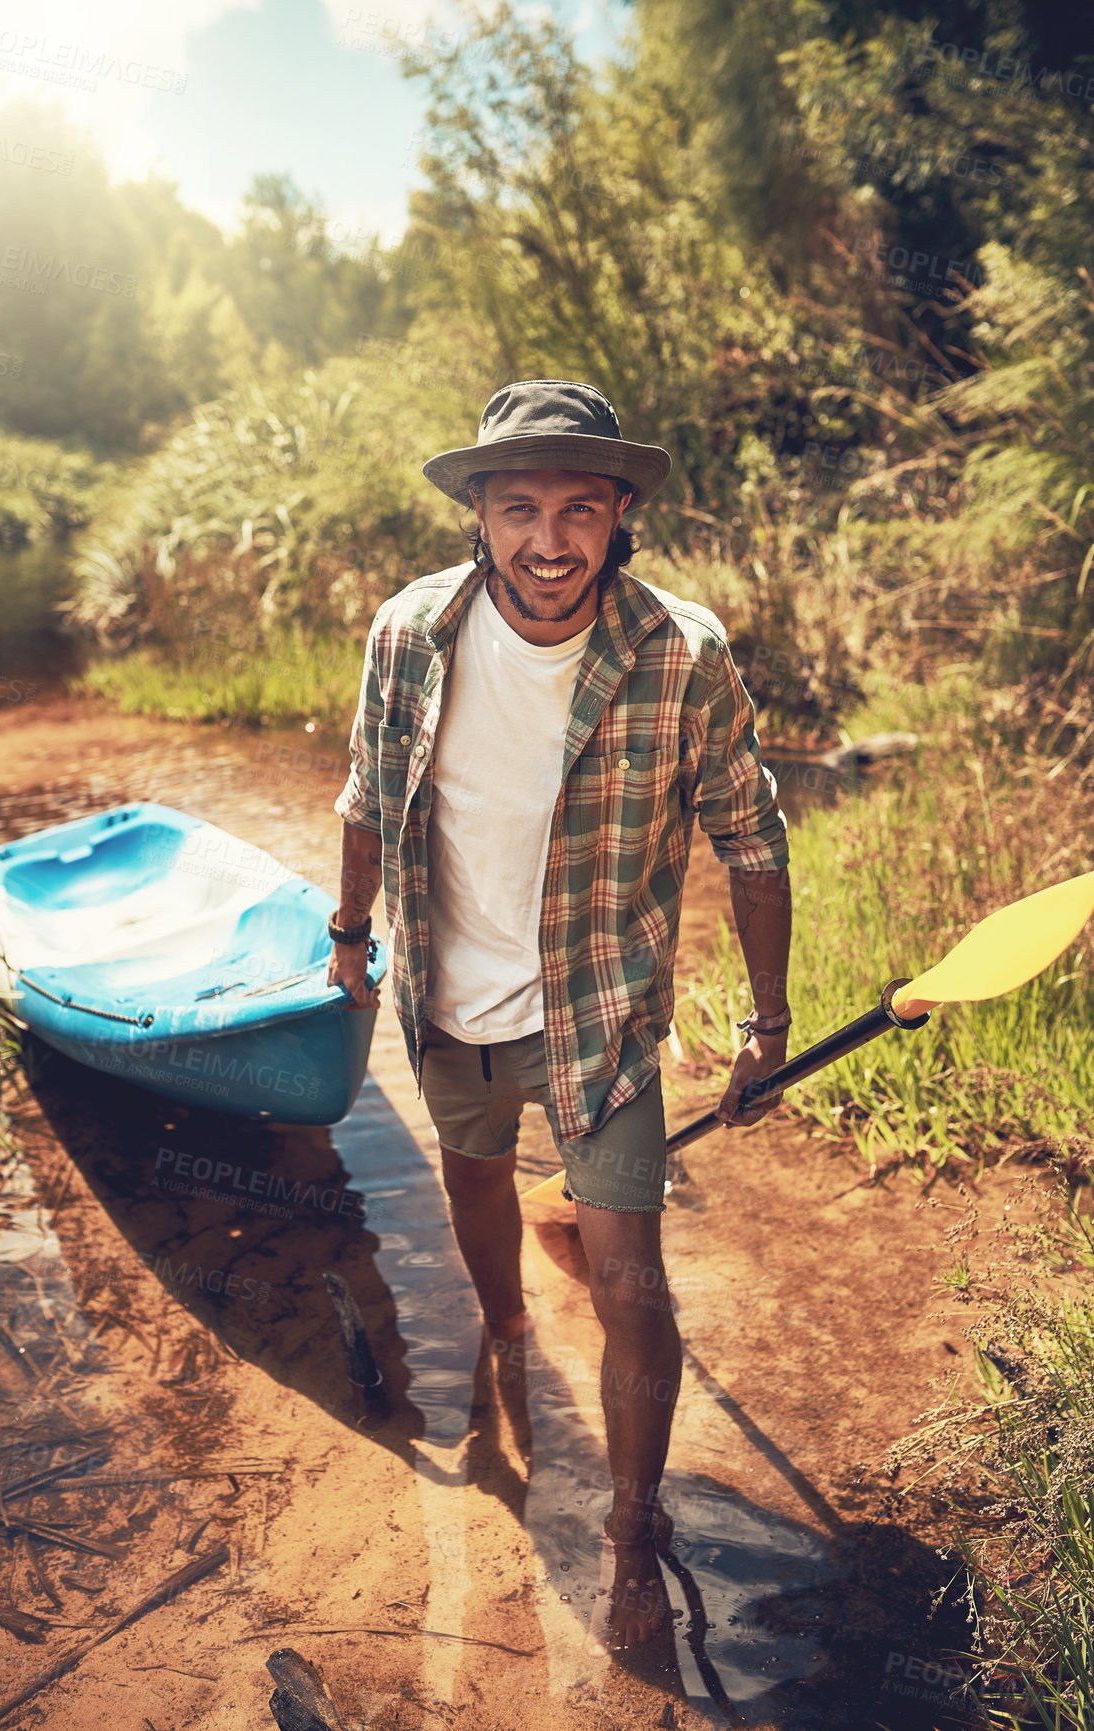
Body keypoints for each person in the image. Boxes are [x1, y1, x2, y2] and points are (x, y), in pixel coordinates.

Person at [328, 379, 792, 1652]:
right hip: (446, 994)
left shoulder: (680, 652)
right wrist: (345, 932)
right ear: (479, 513)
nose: (549, 540)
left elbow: (754, 833)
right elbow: (366, 794)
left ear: (621, 512)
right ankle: (509, 1331)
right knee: (473, 1187)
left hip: (604, 1015)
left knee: (633, 1275)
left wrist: (768, 1021)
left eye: (579, 508)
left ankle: (632, 1523)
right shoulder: (408, 634)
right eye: (519, 504)